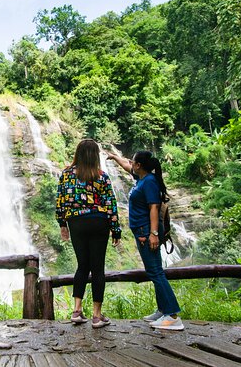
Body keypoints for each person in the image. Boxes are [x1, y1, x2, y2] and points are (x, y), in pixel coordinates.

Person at [107, 150, 184, 331]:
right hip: (141, 231)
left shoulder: (148, 182)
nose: (129, 162)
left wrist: (153, 234)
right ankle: (162, 310)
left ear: (139, 165)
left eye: (132, 160)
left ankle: (172, 315)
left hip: (146, 231)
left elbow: (154, 208)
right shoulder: (142, 178)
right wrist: (114, 157)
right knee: (153, 271)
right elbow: (126, 166)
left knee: (156, 272)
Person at [56, 139, 121, 328]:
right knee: (97, 268)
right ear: (95, 155)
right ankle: (97, 316)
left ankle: (76, 311)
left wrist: (63, 224)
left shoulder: (66, 174)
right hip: (99, 222)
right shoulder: (101, 176)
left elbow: (61, 200)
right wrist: (116, 230)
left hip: (76, 222)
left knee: (82, 266)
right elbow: (110, 204)